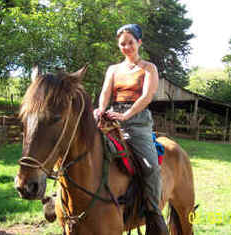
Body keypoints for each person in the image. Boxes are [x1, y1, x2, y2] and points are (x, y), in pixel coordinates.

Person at [94, 24, 168, 235]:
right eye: (122, 44)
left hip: (137, 122)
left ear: (139, 43)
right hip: (112, 117)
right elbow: (105, 93)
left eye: (130, 43)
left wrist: (127, 115)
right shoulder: (113, 70)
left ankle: (153, 213)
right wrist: (101, 109)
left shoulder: (149, 68)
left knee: (150, 165)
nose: (126, 47)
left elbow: (146, 96)